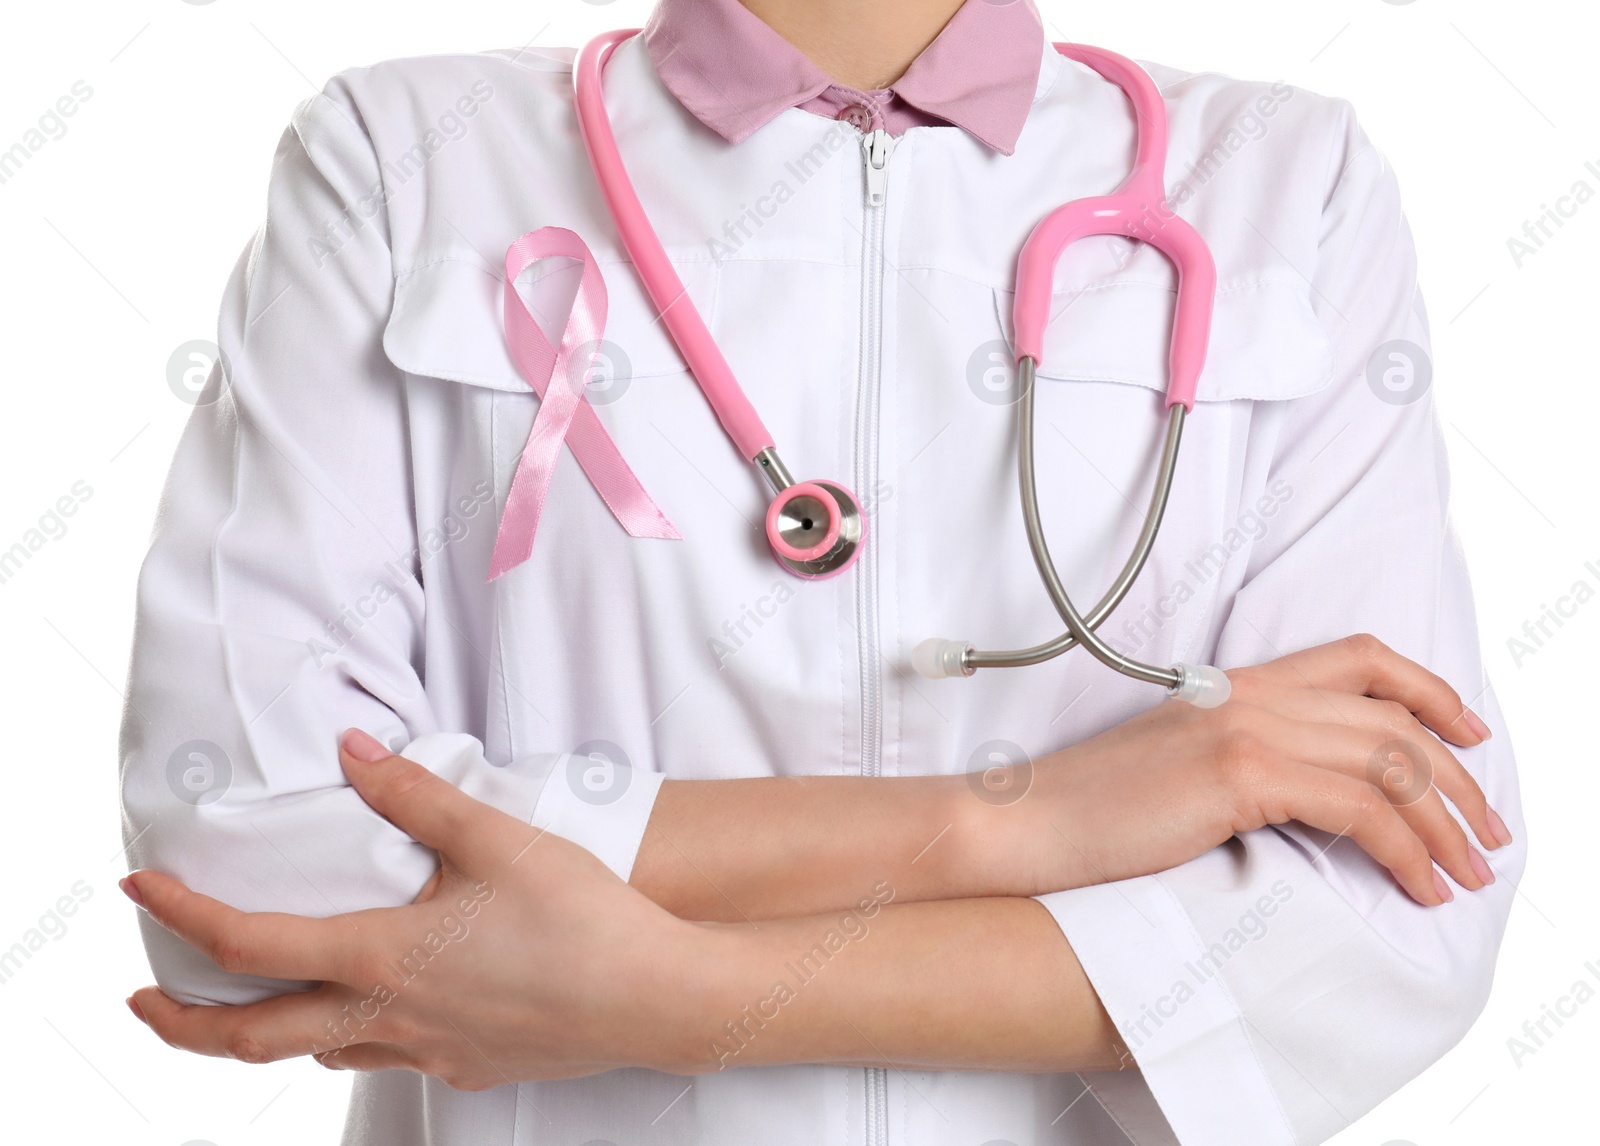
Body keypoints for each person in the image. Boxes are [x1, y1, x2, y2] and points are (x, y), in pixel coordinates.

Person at [116, 0, 1523, 1143]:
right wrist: (1014, 824)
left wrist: (679, 995)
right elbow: (245, 853)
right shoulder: (403, 160)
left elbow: (1382, 917)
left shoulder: (1287, 184)